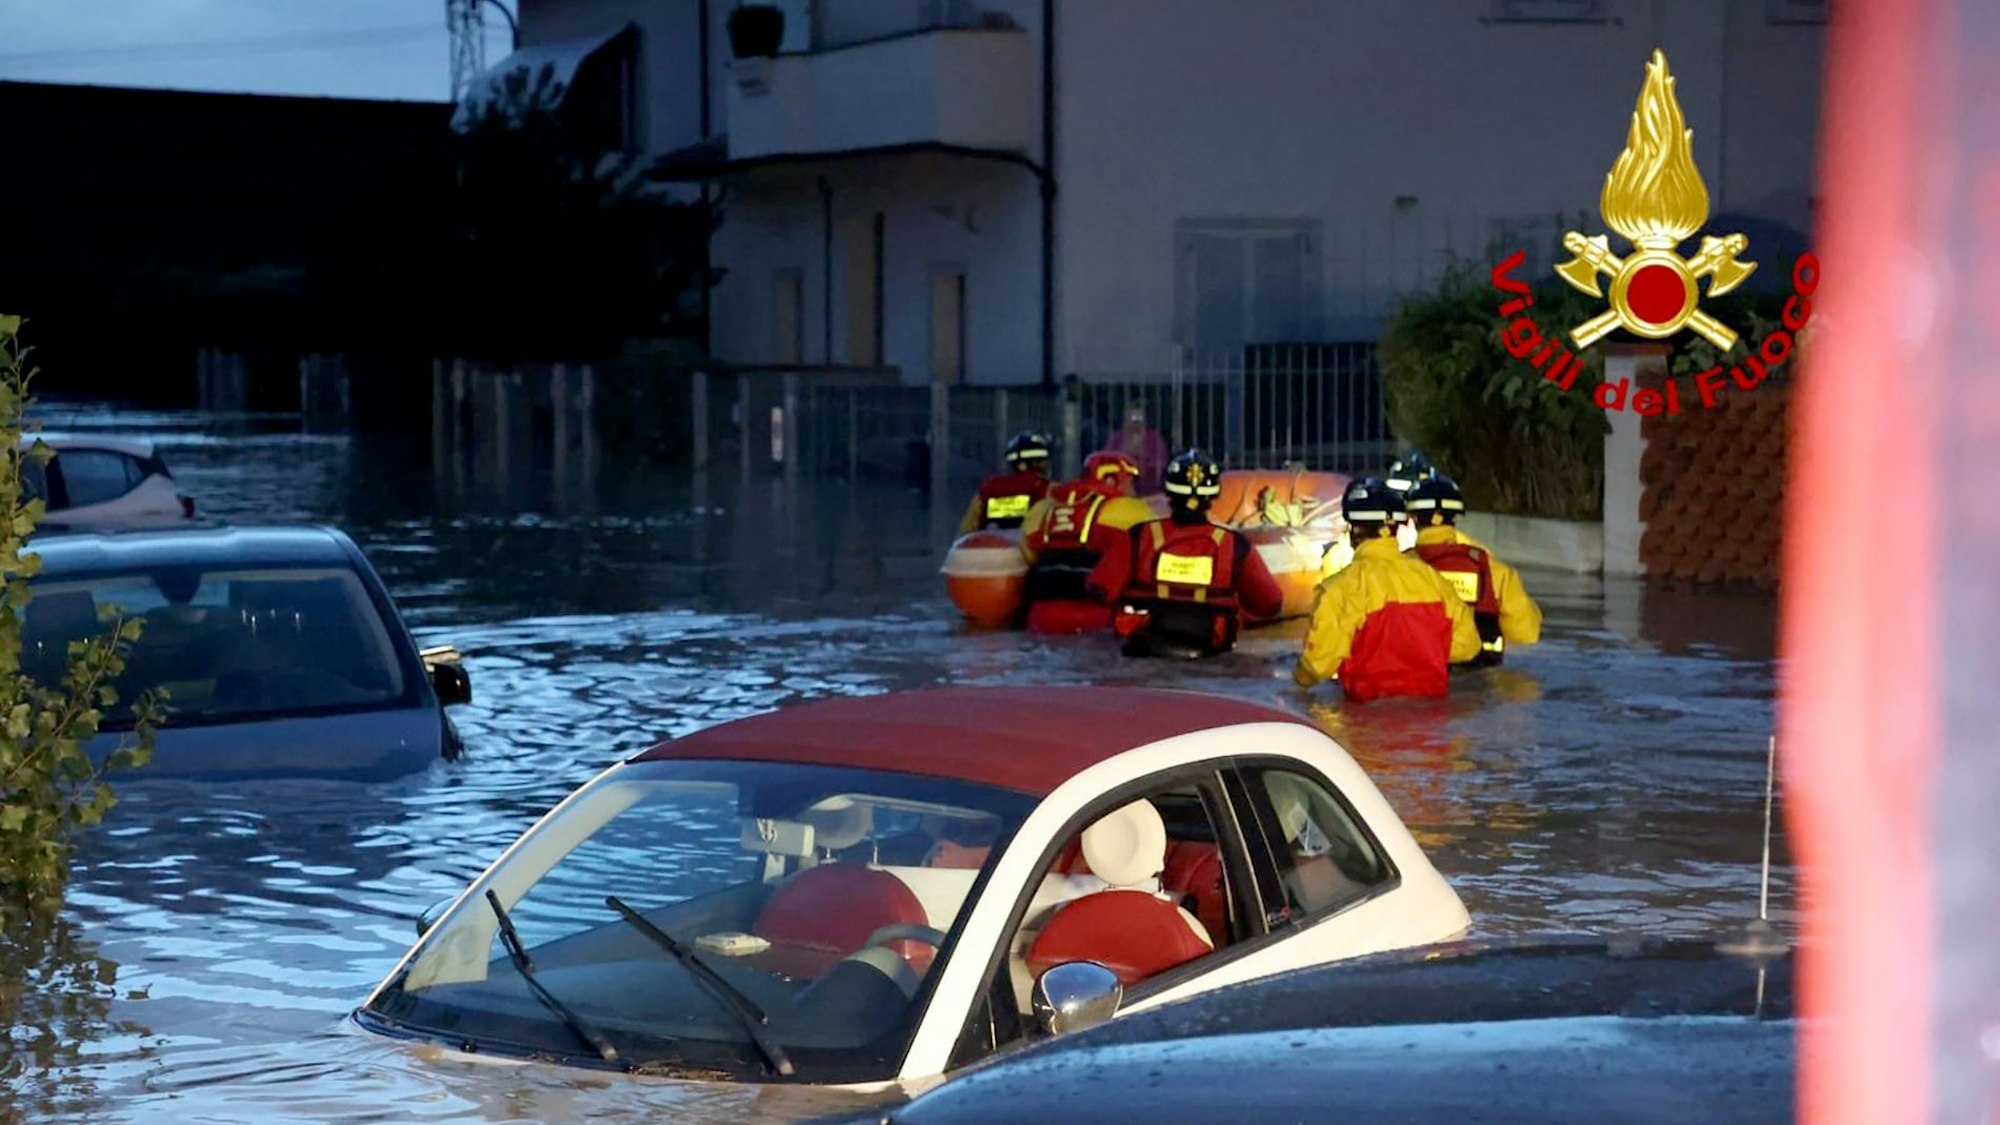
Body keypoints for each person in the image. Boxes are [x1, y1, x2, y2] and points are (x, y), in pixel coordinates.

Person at [1293, 477, 1480, 701]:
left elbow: (1317, 665)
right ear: (1396, 528)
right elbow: (1468, 646)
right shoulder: (1432, 579)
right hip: (1433, 722)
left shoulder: (1338, 589)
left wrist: (1296, 682)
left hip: (1364, 717)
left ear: (1354, 528)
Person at [1088, 448, 1284, 658]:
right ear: (1214, 495)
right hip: (1209, 656)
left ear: (1168, 492)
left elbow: (1100, 589)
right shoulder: (1235, 545)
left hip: (1143, 653)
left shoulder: (1138, 536)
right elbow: (1270, 604)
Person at [1405, 474, 1542, 666]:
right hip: (1482, 673)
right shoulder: (1495, 570)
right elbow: (1526, 633)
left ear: (1413, 518)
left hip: (1422, 671)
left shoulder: (1399, 568)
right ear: (1455, 517)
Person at [1018, 451, 1154, 634]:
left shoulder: (1042, 508)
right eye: (1130, 482)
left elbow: (1028, 557)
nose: (1134, 490)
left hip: (1039, 615)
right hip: (1095, 616)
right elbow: (1151, 554)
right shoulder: (1131, 510)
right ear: (1113, 480)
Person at [959, 431, 1054, 533]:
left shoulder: (989, 489)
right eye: (1045, 461)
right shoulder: (1048, 489)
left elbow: (966, 531)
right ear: (1037, 463)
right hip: (1029, 547)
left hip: (989, 545)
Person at [1100, 405, 1169, 495]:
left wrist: (1144, 454)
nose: (1135, 423)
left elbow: (1161, 464)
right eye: (1131, 418)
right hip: (1119, 489)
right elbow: (1106, 461)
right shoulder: (1117, 438)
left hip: (1151, 490)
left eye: (1138, 418)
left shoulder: (1154, 438)